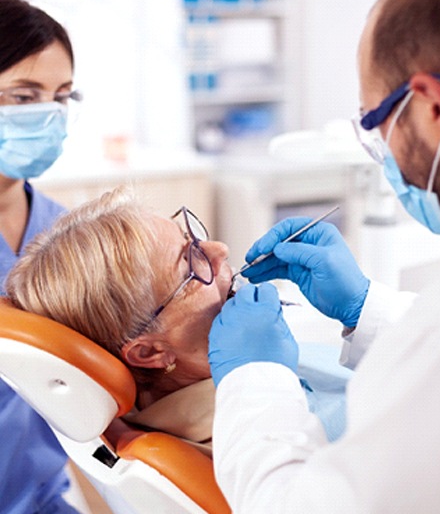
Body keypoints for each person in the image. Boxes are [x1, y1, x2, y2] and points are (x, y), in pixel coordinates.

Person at [206, 0, 440, 514]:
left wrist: (254, 381)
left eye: (374, 126)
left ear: (434, 107)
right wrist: (366, 307)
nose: (216, 253)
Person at [6, 187, 349, 456]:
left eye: (194, 240)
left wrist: (362, 310)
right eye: (189, 265)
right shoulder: (257, 437)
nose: (220, 249)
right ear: (149, 352)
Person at [0, 0, 84, 514]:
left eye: (62, 97)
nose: (49, 114)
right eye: (25, 96)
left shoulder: (62, 232)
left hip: (40, 504)